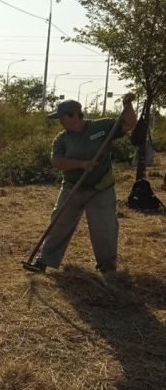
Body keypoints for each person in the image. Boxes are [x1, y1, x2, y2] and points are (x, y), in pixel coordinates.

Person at [34, 94, 136, 274]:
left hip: (101, 187)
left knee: (104, 228)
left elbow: (129, 124)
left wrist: (127, 106)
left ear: (73, 115)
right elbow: (56, 162)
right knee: (59, 223)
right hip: (72, 187)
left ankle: (107, 265)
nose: (60, 122)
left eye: (61, 117)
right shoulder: (62, 138)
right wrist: (81, 165)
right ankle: (45, 260)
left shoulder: (101, 127)